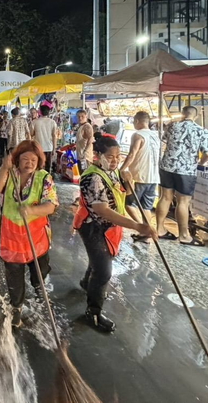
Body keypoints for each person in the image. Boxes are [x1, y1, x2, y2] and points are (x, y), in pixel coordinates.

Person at [75, 136, 158, 332]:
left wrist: (128, 183)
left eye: (118, 156)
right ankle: (93, 313)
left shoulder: (111, 172)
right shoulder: (93, 178)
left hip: (109, 227)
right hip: (93, 226)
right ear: (97, 155)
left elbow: (123, 196)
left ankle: (87, 283)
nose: (115, 160)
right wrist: (136, 226)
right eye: (110, 156)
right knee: (104, 271)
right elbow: (102, 209)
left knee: (99, 260)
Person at [0, 140, 58, 328]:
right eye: (25, 159)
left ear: (39, 161)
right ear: (17, 160)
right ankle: (16, 307)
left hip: (36, 238)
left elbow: (51, 205)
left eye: (33, 160)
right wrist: (4, 168)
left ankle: (40, 291)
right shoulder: (9, 174)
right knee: (14, 277)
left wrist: (31, 210)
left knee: (39, 272)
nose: (29, 163)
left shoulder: (44, 178)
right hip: (11, 237)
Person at [157, 106, 208, 246]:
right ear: (196, 116)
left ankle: (159, 229)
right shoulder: (201, 131)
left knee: (165, 197)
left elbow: (164, 140)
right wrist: (200, 163)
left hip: (167, 166)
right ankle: (184, 235)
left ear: (182, 114)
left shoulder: (172, 126)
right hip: (186, 170)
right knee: (183, 202)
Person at [119, 111, 161, 243]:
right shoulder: (155, 136)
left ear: (137, 121)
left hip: (139, 176)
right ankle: (146, 232)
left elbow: (132, 154)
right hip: (153, 177)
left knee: (128, 203)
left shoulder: (138, 135)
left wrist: (122, 169)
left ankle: (143, 228)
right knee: (146, 207)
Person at [31, 105, 58, 172]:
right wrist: (54, 149)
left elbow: (31, 134)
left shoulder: (35, 122)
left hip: (38, 148)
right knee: (48, 167)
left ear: (40, 112)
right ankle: (47, 178)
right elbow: (54, 136)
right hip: (49, 148)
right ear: (48, 112)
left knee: (39, 167)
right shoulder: (52, 122)